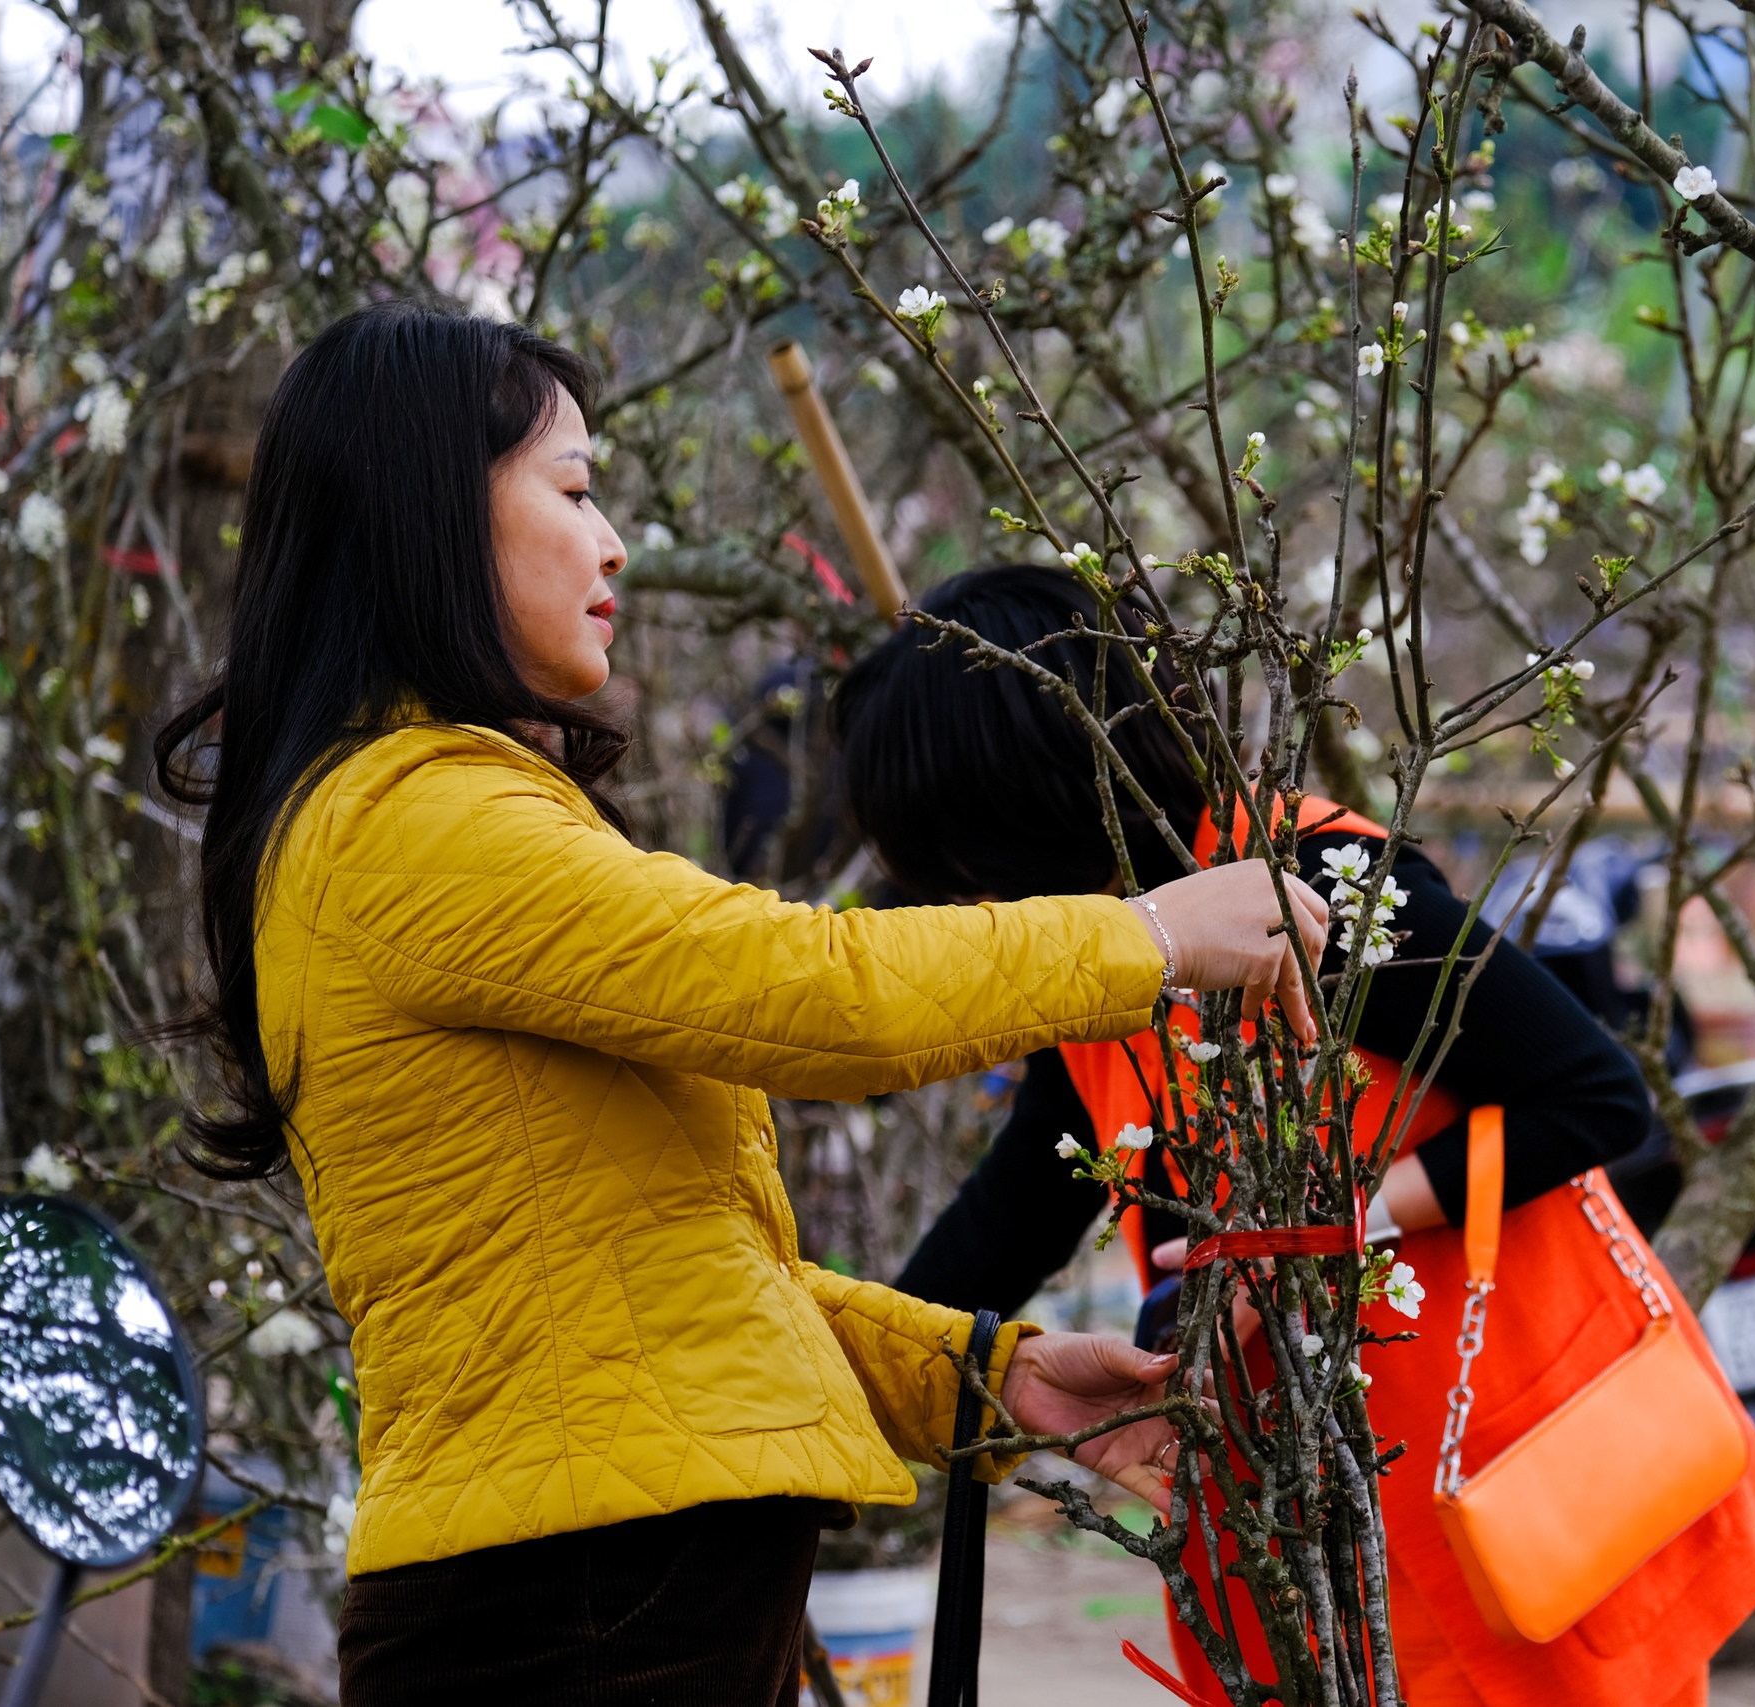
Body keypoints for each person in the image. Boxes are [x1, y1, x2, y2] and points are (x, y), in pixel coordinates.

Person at [151, 304, 1327, 1707]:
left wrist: (986, 1370)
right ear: (427, 517)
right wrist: (1147, 935)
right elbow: (813, 994)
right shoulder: (416, 818)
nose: (615, 542)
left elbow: (669, 1272)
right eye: (577, 490)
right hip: (575, 1600)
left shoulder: (403, 815)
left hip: (593, 1581)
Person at [834, 565, 1755, 1707]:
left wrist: (1344, 1221)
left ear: (1016, 809)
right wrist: (854, 1389)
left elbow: (1591, 1097)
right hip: (1308, 1494)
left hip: (1507, 1459)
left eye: (952, 858)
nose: (954, 897)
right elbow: (1016, 1209)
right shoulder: (1108, 948)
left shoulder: (1308, 889)